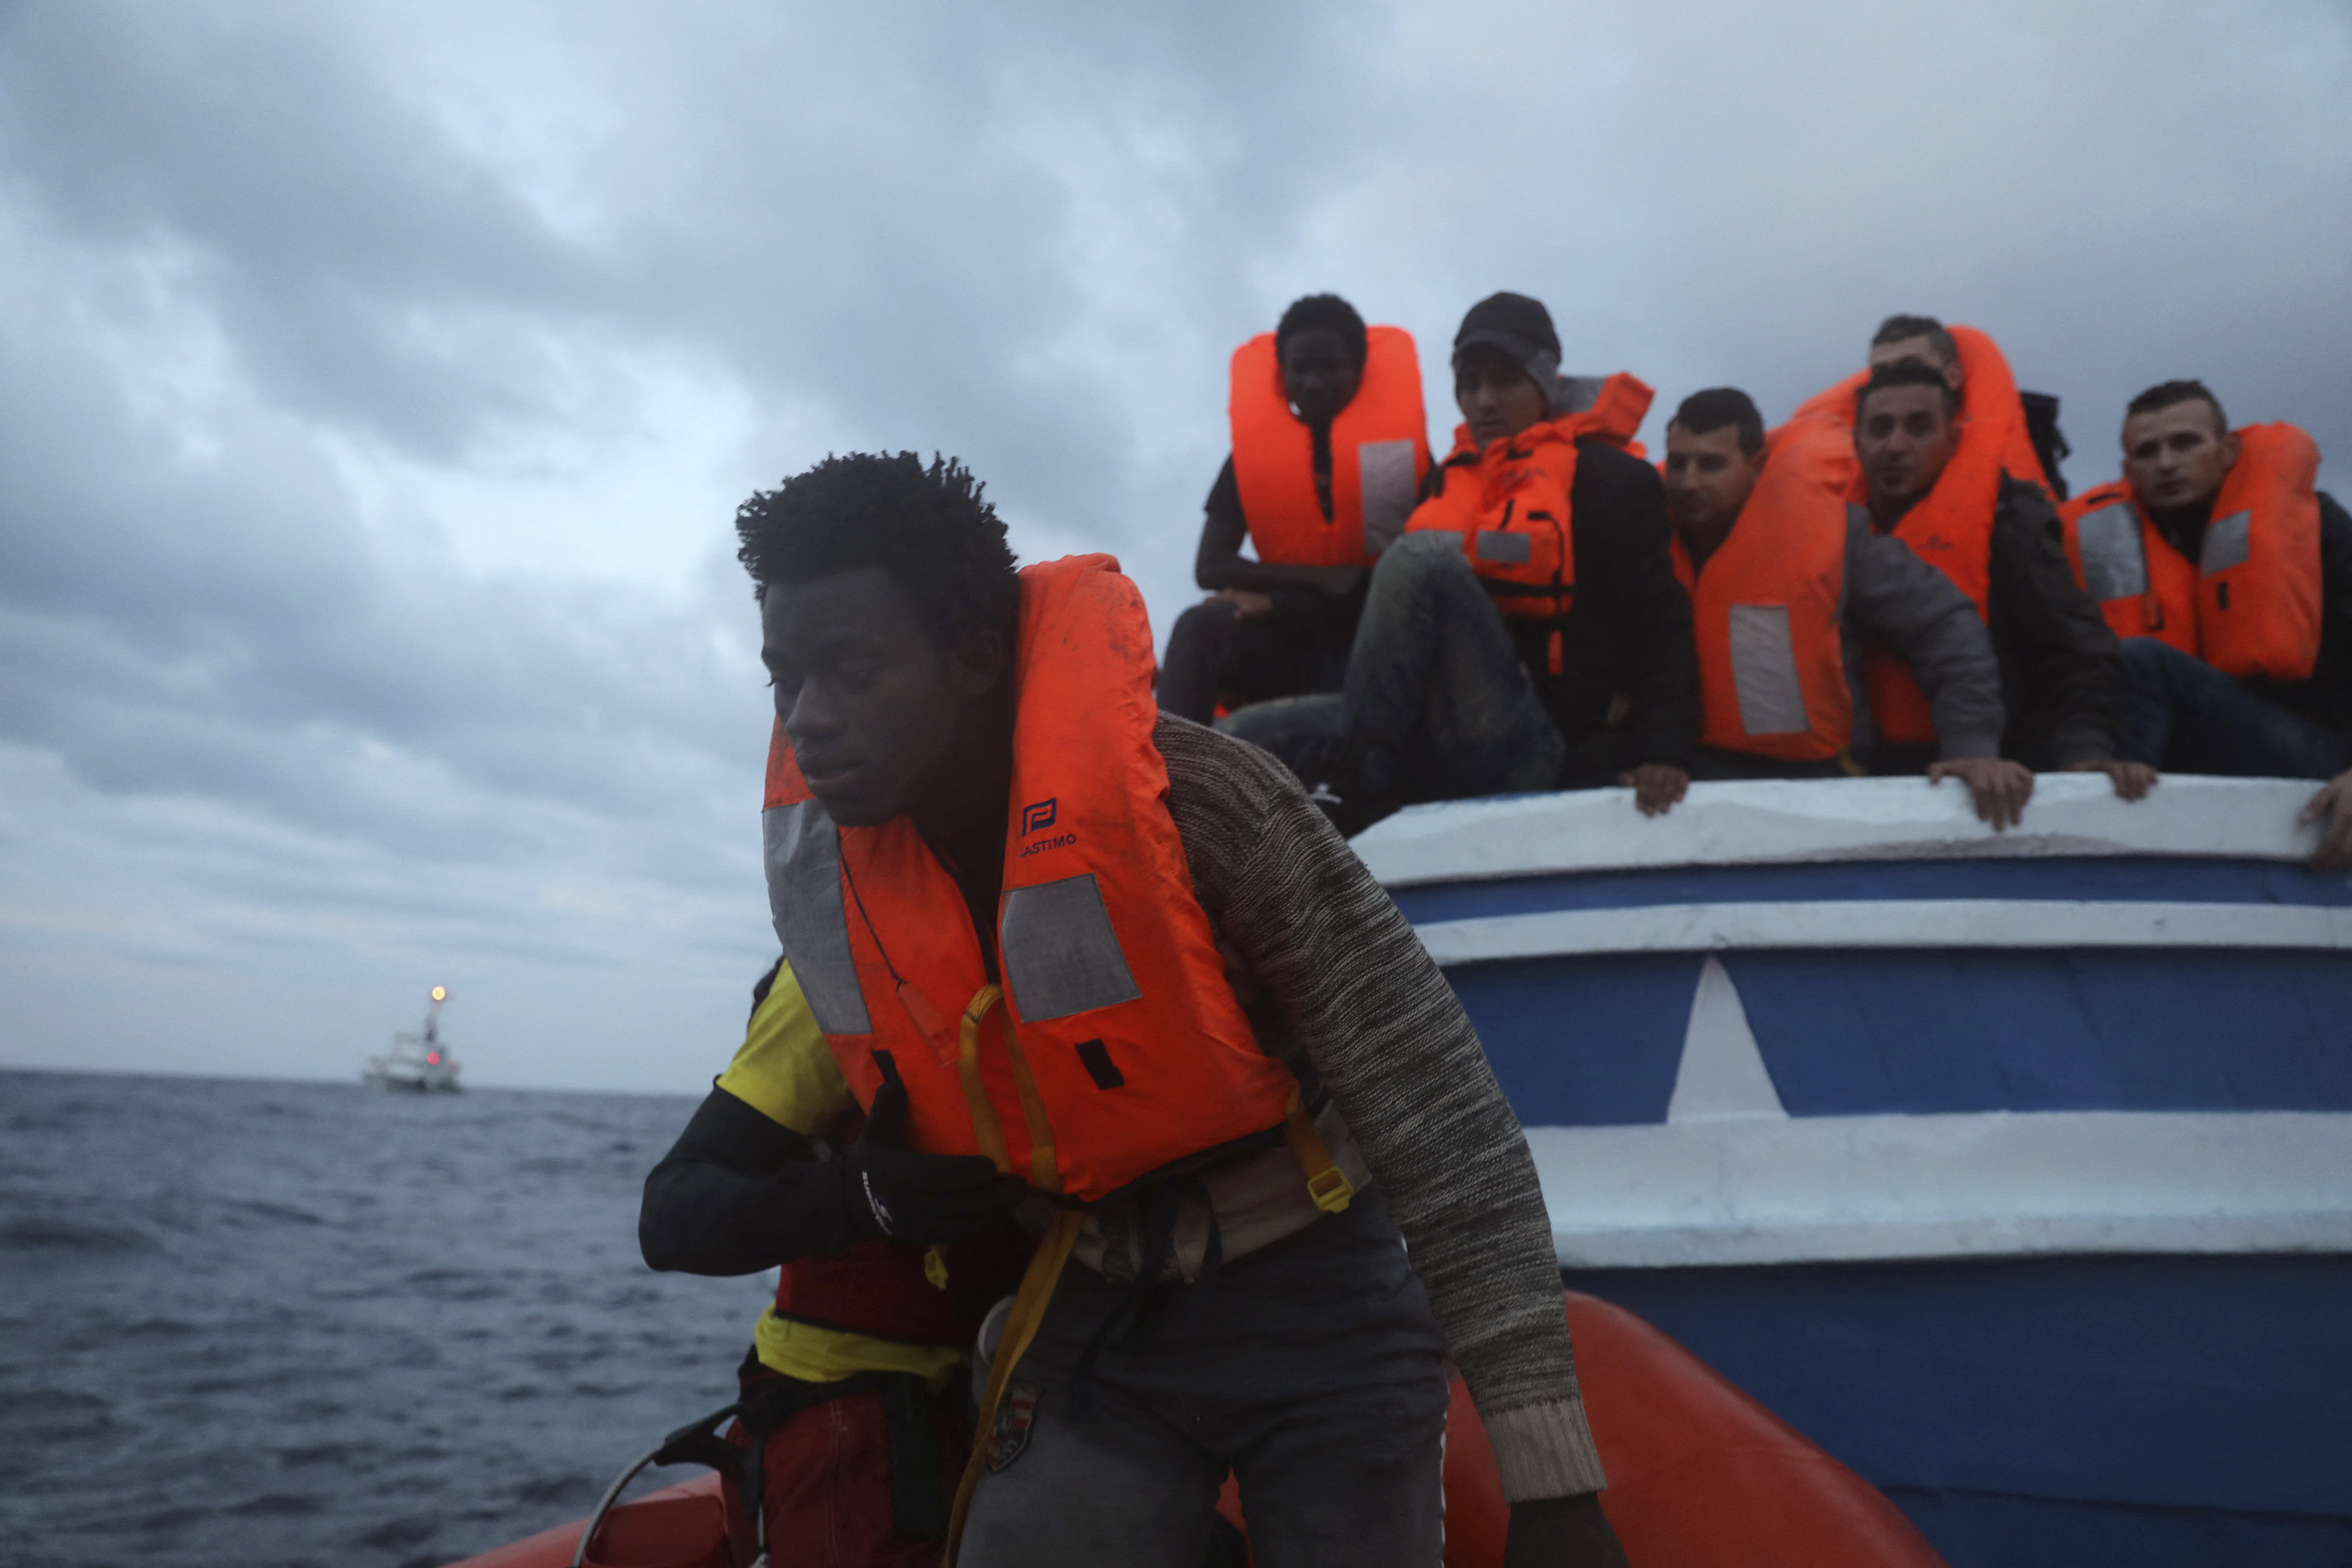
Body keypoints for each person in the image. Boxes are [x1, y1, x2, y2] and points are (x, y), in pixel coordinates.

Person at [735, 451, 1628, 1567]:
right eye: (785, 678)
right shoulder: (851, 886)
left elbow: (1439, 1115)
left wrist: (1552, 1486)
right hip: (1100, 1305)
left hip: (1326, 1300)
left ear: (971, 660)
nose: (807, 720)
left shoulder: (1205, 805)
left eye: (850, 668)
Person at [1222, 291, 1697, 832]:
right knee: (1237, 739)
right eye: (1469, 385)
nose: (1484, 401)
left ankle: (1363, 789)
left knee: (1420, 554)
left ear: (1546, 383)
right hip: (1430, 729)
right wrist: (1277, 605)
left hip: (1532, 743)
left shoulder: (1610, 482)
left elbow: (1662, 622)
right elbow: (1389, 613)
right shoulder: (1446, 480)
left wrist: (1662, 749)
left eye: (1504, 381)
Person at [641, 960, 1030, 1567]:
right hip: (850, 1427)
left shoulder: (1052, 945)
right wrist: (852, 1197)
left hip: (1015, 1408)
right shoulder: (833, 970)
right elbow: (668, 1217)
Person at [1660, 388, 2017, 817]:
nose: (1688, 482)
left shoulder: (1834, 537)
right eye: (1678, 463)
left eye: (1711, 465)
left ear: (1756, 466)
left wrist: (1972, 746)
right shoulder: (1644, 540)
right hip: (1689, 783)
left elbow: (1945, 626)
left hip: (1821, 783)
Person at [2059, 380, 2352, 865]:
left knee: (2144, 659)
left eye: (2185, 443)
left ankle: (2107, 850)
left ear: (2227, 449)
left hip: (2314, 752)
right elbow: (2067, 671)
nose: (2167, 463)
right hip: (2191, 752)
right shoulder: (2099, 550)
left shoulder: (2311, 525)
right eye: (2147, 451)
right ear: (2127, 470)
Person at [1844, 360, 2153, 818]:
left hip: (2001, 770)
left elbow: (2074, 652)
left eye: (1917, 428)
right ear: (1856, 441)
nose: (1895, 446)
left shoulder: (2009, 524)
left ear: (1952, 440)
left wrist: (2081, 752)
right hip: (1871, 774)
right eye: (1880, 429)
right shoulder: (1828, 532)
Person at [1157, 295, 1430, 723]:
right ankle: (1166, 776)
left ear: (1359, 370)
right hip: (1285, 647)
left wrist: (1282, 601)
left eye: (1329, 368)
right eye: (1300, 370)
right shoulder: (1252, 460)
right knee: (1201, 623)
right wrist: (1319, 582)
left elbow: (1422, 577)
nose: (1313, 383)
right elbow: (1210, 566)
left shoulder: (1404, 460)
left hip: (1371, 643)